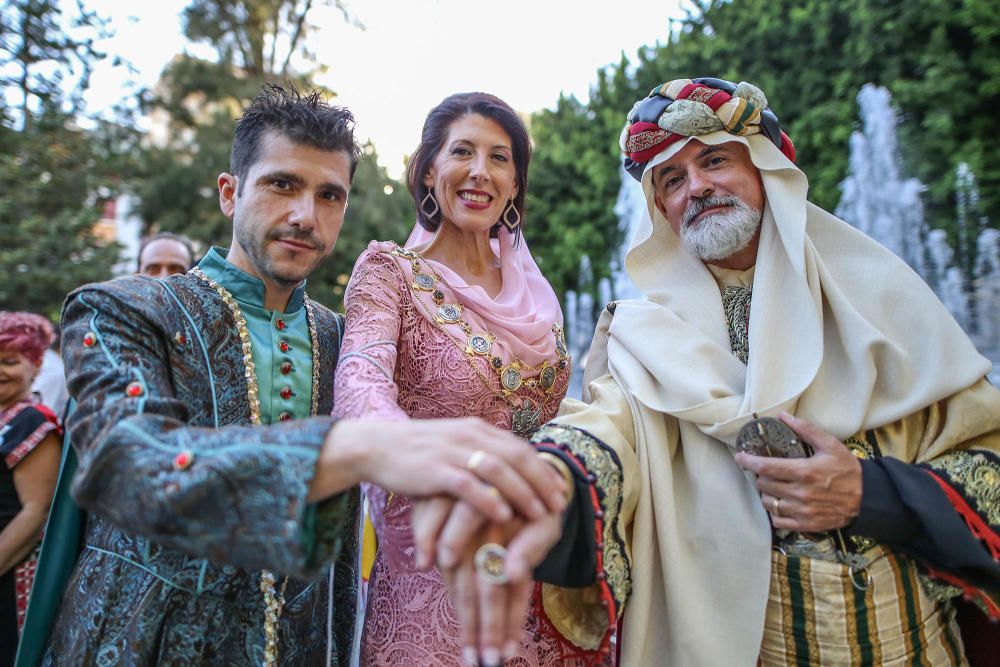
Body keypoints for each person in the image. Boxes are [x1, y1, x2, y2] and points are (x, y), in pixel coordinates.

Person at [439, 77, 1000, 665]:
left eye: (714, 161)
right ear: (660, 209)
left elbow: (984, 461)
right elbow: (604, 431)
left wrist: (867, 493)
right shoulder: (648, 333)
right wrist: (540, 482)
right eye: (672, 180)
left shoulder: (881, 298)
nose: (697, 187)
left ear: (765, 172)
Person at [27, 84, 563, 667]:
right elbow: (128, 462)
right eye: (282, 184)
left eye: (329, 195)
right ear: (230, 193)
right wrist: (359, 445)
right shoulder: (125, 311)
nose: (305, 215)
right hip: (139, 646)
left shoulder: (336, 336)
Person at [333, 92, 599, 666]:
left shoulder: (535, 291)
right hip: (433, 590)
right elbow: (360, 382)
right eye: (462, 152)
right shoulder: (391, 274)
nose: (481, 172)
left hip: (546, 589)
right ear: (429, 169)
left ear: (515, 183)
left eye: (500, 158)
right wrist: (411, 450)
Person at [0, 313, 61, 667]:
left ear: (37, 365)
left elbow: (35, 511)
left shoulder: (33, 421)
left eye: (10, 362)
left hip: (10, 576)